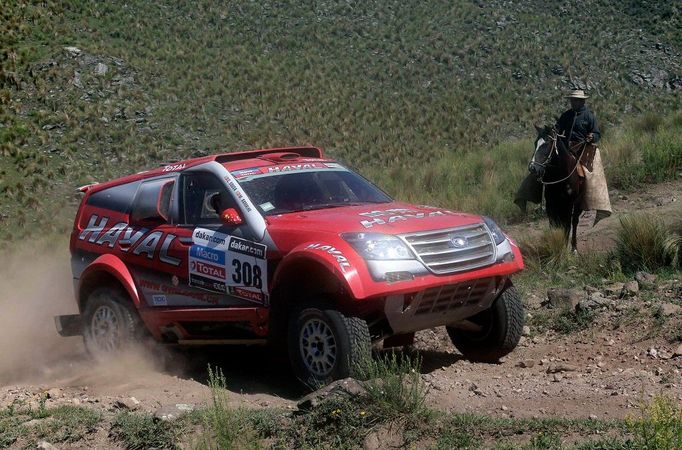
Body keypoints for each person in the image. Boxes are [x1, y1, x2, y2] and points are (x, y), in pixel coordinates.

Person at [555, 90, 600, 170]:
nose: (572, 102)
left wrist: (592, 136)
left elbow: (597, 134)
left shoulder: (589, 116)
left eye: (575, 100)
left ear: (582, 101)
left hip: (582, 150)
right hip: (566, 149)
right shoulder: (566, 115)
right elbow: (558, 129)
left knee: (587, 174)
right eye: (571, 100)